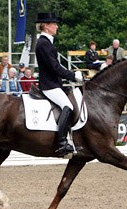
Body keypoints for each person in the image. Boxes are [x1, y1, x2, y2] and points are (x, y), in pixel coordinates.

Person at [35, 12, 83, 155]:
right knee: (67, 106)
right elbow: (54, 68)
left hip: (54, 83)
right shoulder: (43, 43)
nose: (57, 26)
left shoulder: (47, 42)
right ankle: (61, 143)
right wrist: (73, 76)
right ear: (46, 26)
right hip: (49, 85)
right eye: (54, 24)